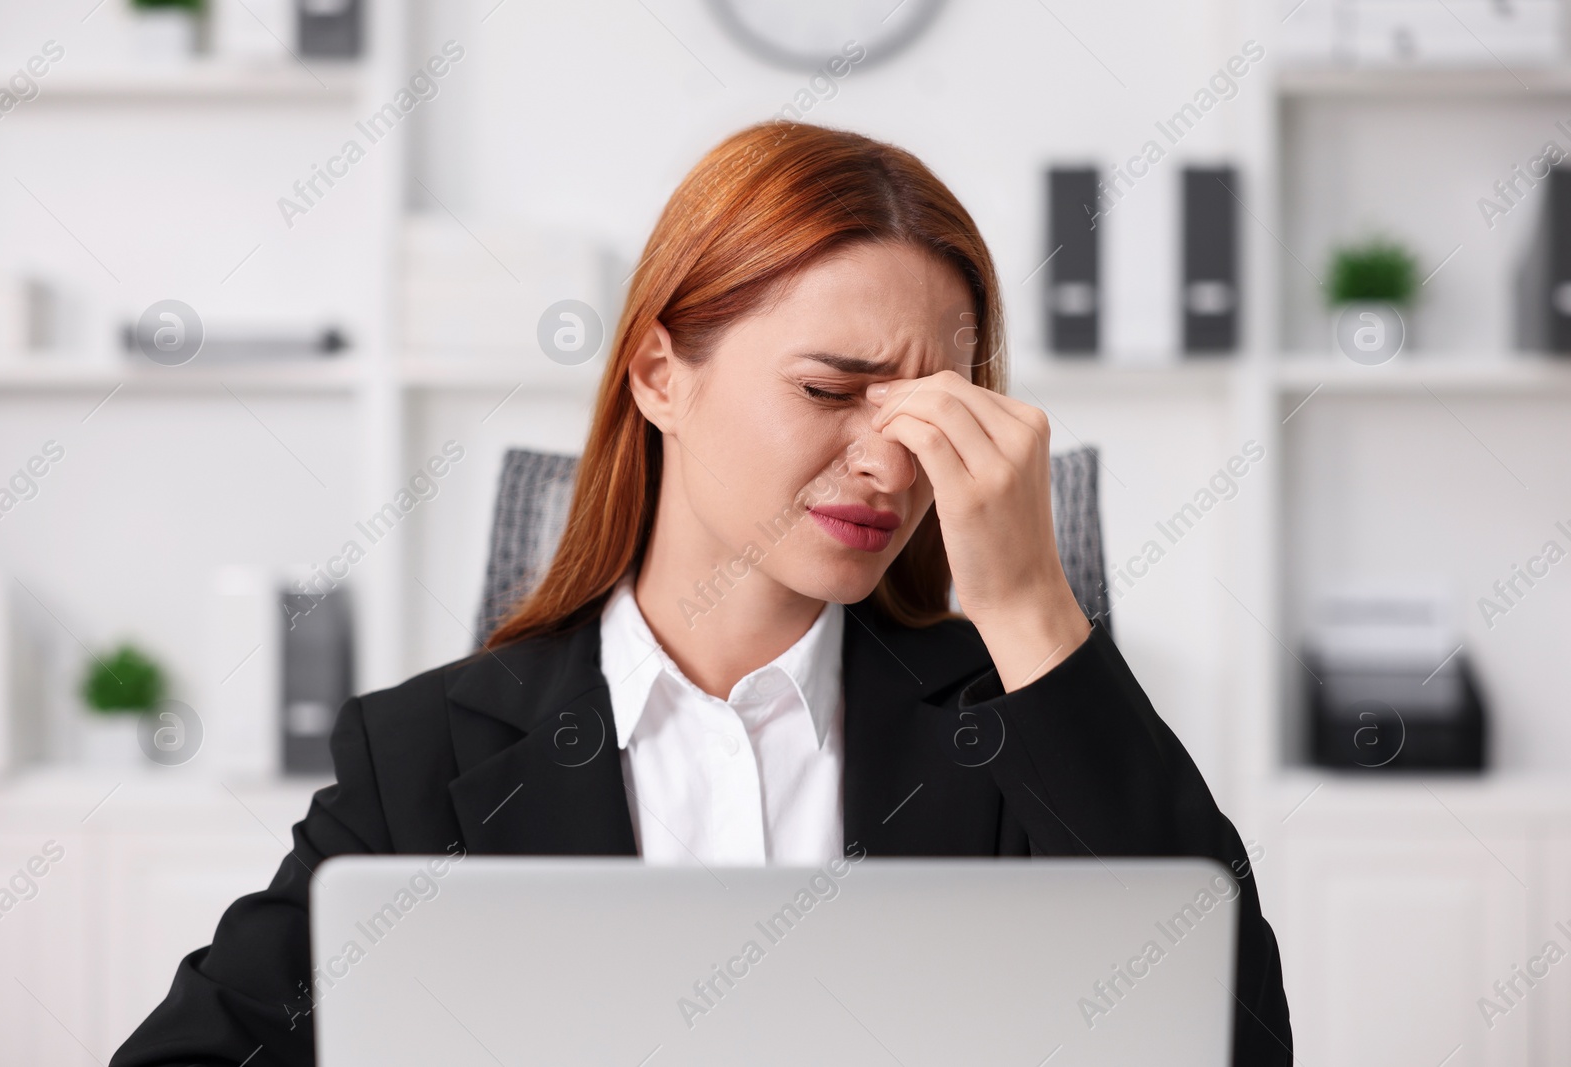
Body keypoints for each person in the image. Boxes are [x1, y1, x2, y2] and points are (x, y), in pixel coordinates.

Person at [113, 121, 1291, 1066]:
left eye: (933, 408)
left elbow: (1233, 1041)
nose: (889, 461)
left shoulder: (1010, 729)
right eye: (834, 388)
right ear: (661, 375)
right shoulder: (421, 757)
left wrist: (1034, 603)